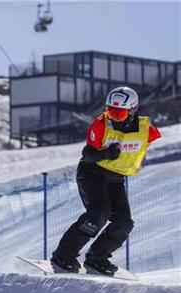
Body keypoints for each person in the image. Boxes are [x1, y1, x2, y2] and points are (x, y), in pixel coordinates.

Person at [51, 86, 162, 275]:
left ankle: (97, 258)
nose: (113, 116)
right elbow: (87, 155)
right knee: (97, 215)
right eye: (110, 110)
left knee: (124, 223)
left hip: (115, 179)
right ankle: (63, 255)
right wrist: (106, 153)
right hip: (92, 174)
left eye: (119, 113)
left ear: (133, 110)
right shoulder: (101, 125)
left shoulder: (146, 129)